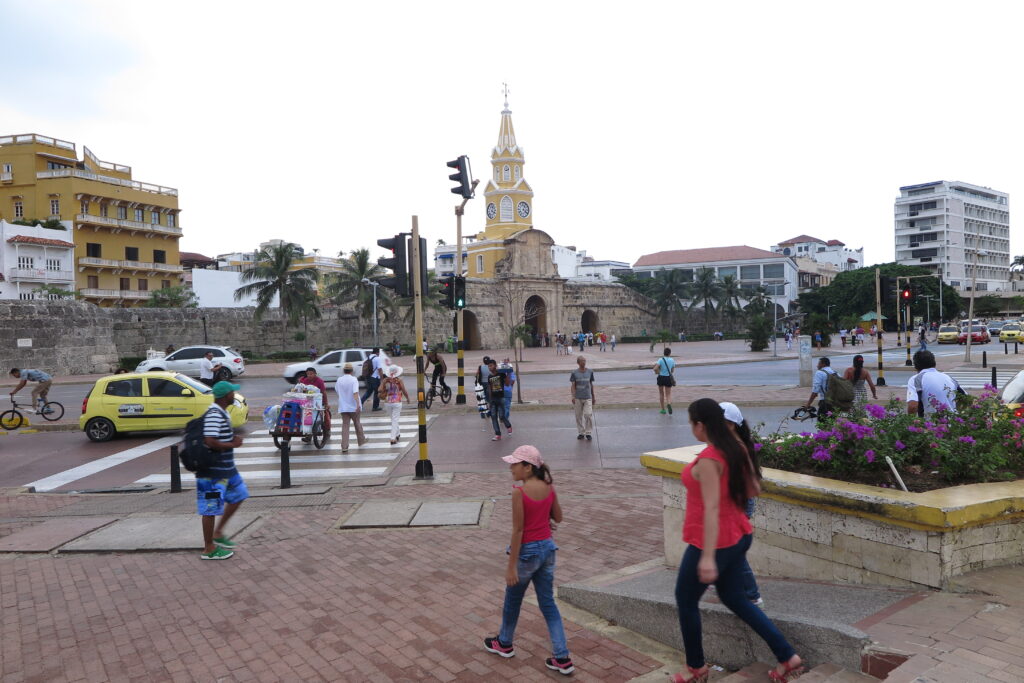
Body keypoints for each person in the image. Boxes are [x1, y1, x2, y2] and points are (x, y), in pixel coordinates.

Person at [672, 399, 802, 683]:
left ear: (700, 425)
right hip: (738, 535)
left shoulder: (710, 459)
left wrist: (706, 558)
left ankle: (696, 668)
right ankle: (787, 657)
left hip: (714, 542)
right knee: (736, 600)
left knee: (685, 599)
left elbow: (712, 509)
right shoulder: (736, 448)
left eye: (692, 423)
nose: (691, 428)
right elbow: (754, 488)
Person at [484, 445, 574, 675]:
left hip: (527, 553)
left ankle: (504, 642)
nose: (511, 468)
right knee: (548, 604)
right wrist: (546, 512)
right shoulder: (549, 487)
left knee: (513, 600)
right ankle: (562, 657)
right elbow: (559, 517)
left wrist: (511, 566)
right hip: (548, 550)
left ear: (528, 467)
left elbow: (518, 531)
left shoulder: (519, 493)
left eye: (515, 464)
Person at [197, 381, 248, 561]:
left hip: (226, 471)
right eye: (232, 393)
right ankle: (209, 549)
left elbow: (217, 436)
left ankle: (218, 532)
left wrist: (231, 437)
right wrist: (232, 443)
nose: (234, 395)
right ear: (226, 395)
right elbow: (209, 441)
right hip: (212, 474)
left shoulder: (221, 412)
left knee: (240, 494)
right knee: (210, 508)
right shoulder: (213, 414)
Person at [718, 402, 763, 607]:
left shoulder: (735, 448)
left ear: (730, 425)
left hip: (739, 504)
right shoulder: (734, 443)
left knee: (735, 552)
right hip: (740, 503)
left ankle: (752, 594)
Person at [907, 350, 958, 416]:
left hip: (930, 424)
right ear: (934, 363)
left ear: (916, 366)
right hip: (952, 423)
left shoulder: (915, 379)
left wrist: (911, 424)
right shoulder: (949, 378)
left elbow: (913, 406)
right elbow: (966, 399)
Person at [335, 363, 366, 453]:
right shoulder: (353, 379)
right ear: (352, 371)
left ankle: (344, 446)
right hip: (353, 406)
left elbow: (337, 391)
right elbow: (355, 392)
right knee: (357, 423)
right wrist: (357, 404)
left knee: (345, 426)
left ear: (343, 371)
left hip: (343, 406)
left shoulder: (339, 380)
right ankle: (361, 441)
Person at [378, 364, 410, 444]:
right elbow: (404, 390)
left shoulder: (385, 381)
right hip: (397, 401)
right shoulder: (399, 381)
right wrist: (407, 398)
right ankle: (392, 438)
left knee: (393, 419)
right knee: (394, 419)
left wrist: (383, 382)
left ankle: (397, 434)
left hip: (387, 402)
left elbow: (379, 390)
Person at [570, 355, 596, 441]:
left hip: (587, 397)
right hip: (578, 397)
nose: (584, 362)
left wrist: (593, 396)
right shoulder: (574, 373)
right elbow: (573, 385)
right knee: (578, 416)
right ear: (578, 363)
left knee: (588, 415)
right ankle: (581, 432)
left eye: (584, 361)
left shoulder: (590, 372)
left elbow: (591, 384)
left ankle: (588, 432)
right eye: (582, 361)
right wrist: (573, 396)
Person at [486, 358, 512, 441]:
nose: (489, 367)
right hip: (493, 399)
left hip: (501, 398)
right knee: (493, 416)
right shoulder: (489, 377)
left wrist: (508, 374)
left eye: (491, 365)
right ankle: (498, 434)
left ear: (495, 366)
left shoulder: (501, 374)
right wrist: (489, 401)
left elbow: (507, 384)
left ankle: (508, 426)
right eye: (488, 366)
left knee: (501, 416)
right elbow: (489, 389)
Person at [805, 357, 837, 422]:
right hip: (836, 402)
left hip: (825, 402)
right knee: (833, 423)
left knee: (822, 423)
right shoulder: (835, 373)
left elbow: (815, 390)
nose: (817, 365)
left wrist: (808, 404)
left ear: (823, 364)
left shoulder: (819, 373)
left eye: (818, 363)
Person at [360, 348, 383, 412]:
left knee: (368, 392)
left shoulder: (368, 358)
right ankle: (375, 407)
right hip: (375, 378)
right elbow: (380, 369)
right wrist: (382, 379)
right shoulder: (377, 358)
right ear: (377, 352)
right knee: (377, 392)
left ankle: (360, 404)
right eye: (379, 353)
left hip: (368, 377)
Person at [654, 347, 676, 415]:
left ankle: (663, 409)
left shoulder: (660, 360)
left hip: (661, 378)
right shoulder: (672, 360)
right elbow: (672, 371)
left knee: (661, 393)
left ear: (664, 353)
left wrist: (658, 372)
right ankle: (669, 404)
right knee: (668, 394)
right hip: (668, 378)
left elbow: (655, 368)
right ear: (670, 353)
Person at [500, 359, 516, 425]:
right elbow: (512, 382)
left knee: (501, 406)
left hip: (500, 391)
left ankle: (502, 417)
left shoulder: (499, 372)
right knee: (507, 406)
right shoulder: (511, 372)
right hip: (508, 391)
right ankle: (505, 418)